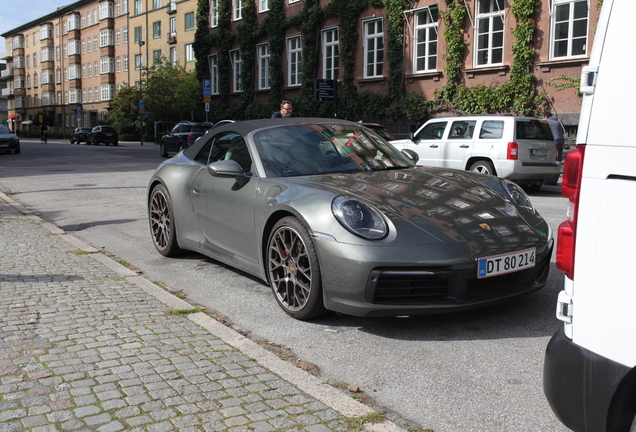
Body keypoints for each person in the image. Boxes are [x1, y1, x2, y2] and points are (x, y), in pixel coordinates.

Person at [544, 111, 564, 185]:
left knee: (551, 160)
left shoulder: (547, 122)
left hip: (554, 142)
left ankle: (551, 179)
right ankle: (555, 178)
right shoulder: (557, 122)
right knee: (558, 159)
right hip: (560, 141)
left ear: (546, 116)